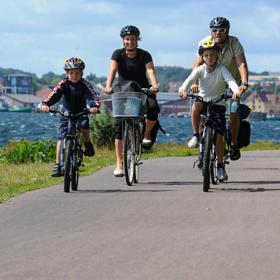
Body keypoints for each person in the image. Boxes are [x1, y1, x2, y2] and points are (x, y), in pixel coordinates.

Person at [179, 38, 241, 181]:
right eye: (206, 55)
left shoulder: (221, 69)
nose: (209, 58)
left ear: (217, 55)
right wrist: (183, 89)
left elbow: (230, 80)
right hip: (203, 101)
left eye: (212, 55)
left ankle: (220, 166)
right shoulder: (200, 70)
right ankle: (195, 135)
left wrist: (236, 90)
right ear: (202, 57)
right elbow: (189, 79)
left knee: (219, 135)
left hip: (218, 102)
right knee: (196, 105)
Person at [188, 16, 249, 161]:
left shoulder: (234, 43)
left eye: (222, 30)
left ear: (227, 31)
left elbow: (241, 65)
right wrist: (193, 83)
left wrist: (244, 84)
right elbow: (196, 65)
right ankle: (197, 136)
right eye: (214, 30)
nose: (218, 33)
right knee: (199, 107)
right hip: (209, 83)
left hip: (231, 83)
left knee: (233, 111)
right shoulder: (204, 43)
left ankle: (233, 144)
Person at [104, 25, 160, 177]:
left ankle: (146, 135)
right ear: (123, 41)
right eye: (127, 39)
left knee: (153, 108)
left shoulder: (144, 55)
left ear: (137, 40)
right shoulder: (118, 54)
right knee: (118, 126)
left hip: (142, 89)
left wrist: (154, 84)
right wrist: (108, 86)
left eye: (133, 39)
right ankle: (119, 163)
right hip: (123, 90)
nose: (130, 42)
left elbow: (150, 70)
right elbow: (113, 71)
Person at [41, 57, 100, 177]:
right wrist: (45, 104)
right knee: (60, 136)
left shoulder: (85, 84)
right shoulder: (63, 84)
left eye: (77, 73)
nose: (74, 75)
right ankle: (57, 165)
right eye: (71, 73)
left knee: (84, 125)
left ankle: (87, 144)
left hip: (81, 112)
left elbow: (92, 96)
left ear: (81, 73)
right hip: (66, 113)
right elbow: (54, 95)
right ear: (67, 74)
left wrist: (94, 106)